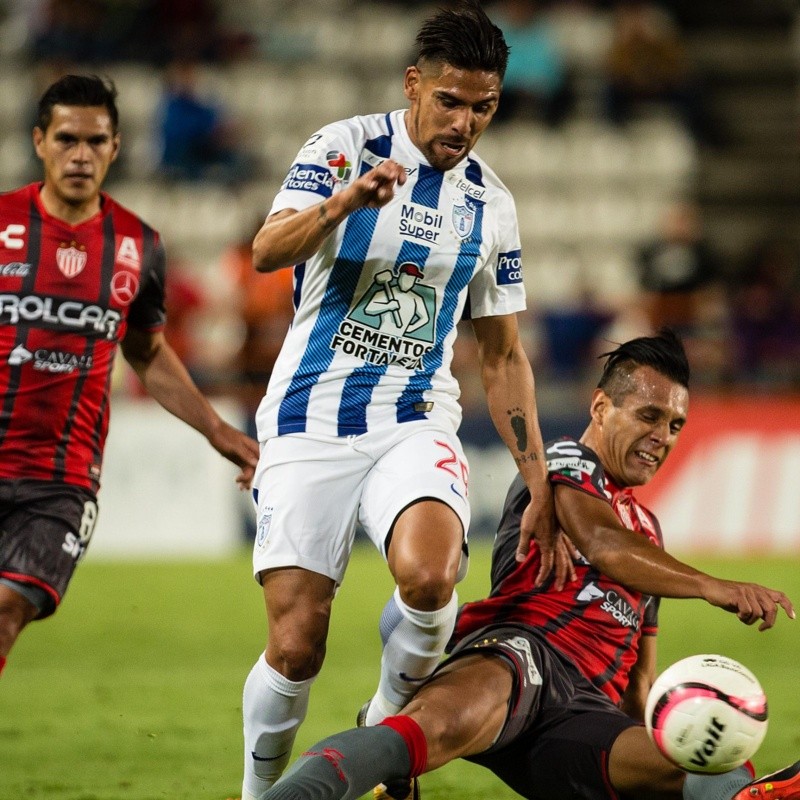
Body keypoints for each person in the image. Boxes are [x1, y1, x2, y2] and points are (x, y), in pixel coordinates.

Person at [256, 330, 798, 800]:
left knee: (706, 763)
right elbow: (603, 544)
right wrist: (711, 586)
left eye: (676, 426)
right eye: (650, 415)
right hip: (518, 660)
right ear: (601, 407)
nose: (663, 437)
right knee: (418, 735)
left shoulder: (650, 533)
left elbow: (640, 679)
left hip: (585, 721)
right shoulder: (564, 463)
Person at [241, 4, 559, 799]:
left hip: (414, 418)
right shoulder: (342, 145)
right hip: (309, 418)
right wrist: (345, 203)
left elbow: (504, 353)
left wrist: (539, 477)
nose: (465, 122)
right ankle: (258, 793)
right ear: (414, 85)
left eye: (483, 107)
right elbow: (264, 250)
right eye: (450, 101)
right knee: (295, 644)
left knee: (431, 577)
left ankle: (382, 729)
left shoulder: (492, 204)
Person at [0, 74, 260, 676]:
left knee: (8, 606)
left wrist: (217, 431)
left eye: (95, 141)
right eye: (67, 139)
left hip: (59, 480)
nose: (80, 154)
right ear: (40, 141)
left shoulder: (137, 245)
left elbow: (146, 350)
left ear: (115, 148)